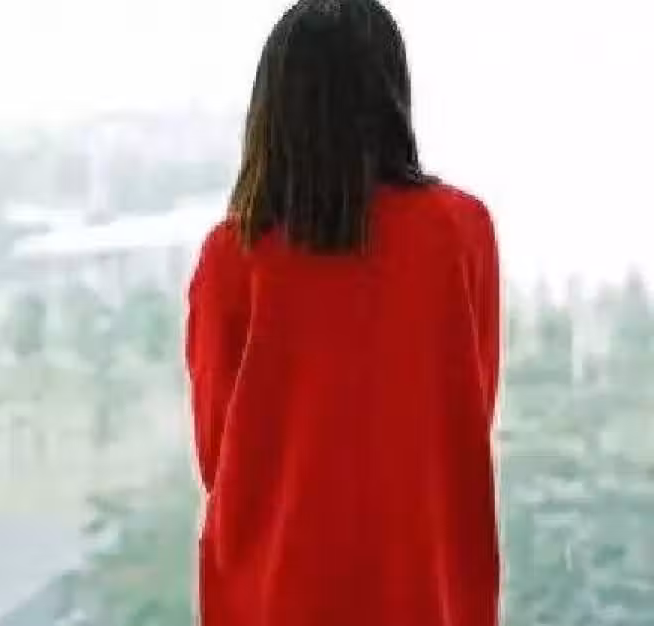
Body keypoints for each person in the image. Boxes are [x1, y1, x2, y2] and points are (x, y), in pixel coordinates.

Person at [185, 1, 501, 625]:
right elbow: (471, 408)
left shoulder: (233, 255)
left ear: (273, 108)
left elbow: (218, 451)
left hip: (274, 596)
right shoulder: (461, 231)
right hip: (426, 591)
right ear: (391, 95)